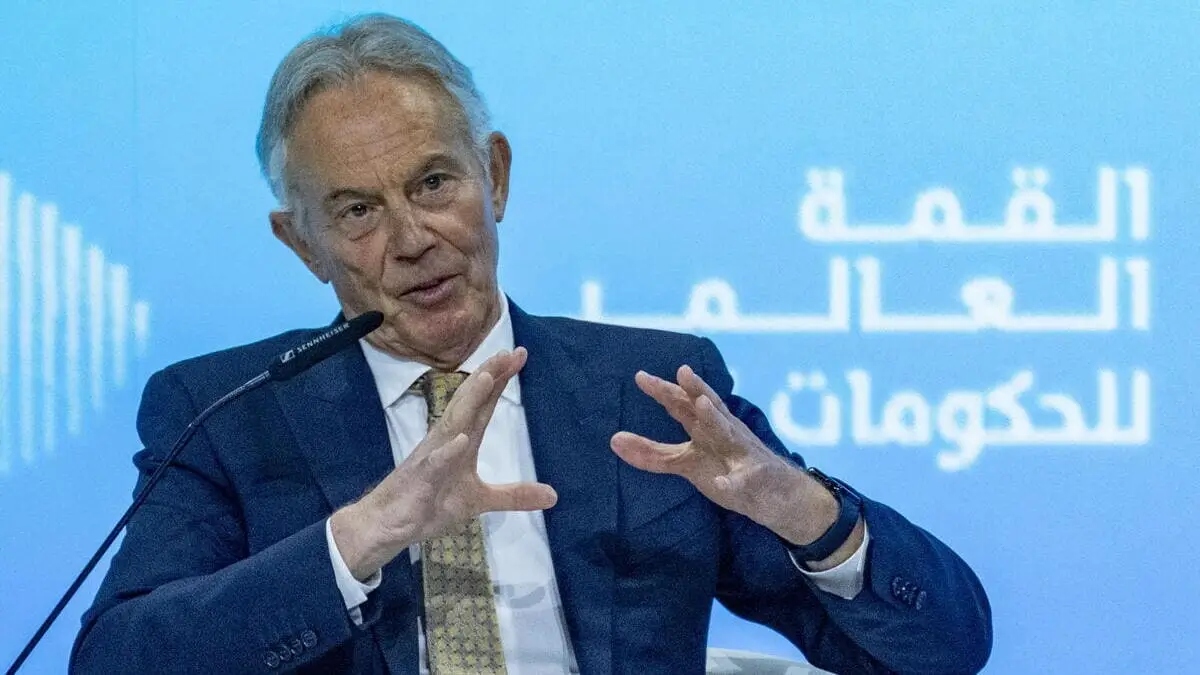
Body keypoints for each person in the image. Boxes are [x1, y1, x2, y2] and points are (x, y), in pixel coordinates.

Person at [71, 13, 991, 675]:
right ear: (301, 242)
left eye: (434, 183)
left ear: (496, 176)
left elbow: (943, 650)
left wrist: (807, 511)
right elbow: (116, 657)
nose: (412, 239)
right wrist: (359, 536)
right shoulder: (226, 414)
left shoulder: (648, 389)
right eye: (356, 211)